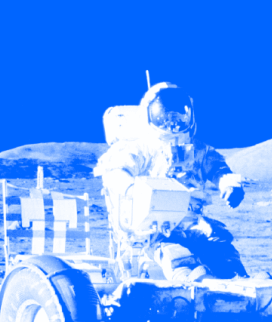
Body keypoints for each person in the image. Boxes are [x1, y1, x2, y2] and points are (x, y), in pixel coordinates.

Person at [94, 82, 248, 282]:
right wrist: (132, 189)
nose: (172, 121)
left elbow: (218, 169)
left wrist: (229, 185)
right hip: (153, 226)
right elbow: (116, 172)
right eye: (164, 115)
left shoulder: (198, 150)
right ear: (149, 115)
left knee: (219, 244)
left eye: (179, 114)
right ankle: (192, 280)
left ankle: (239, 280)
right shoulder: (141, 149)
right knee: (175, 253)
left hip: (191, 222)